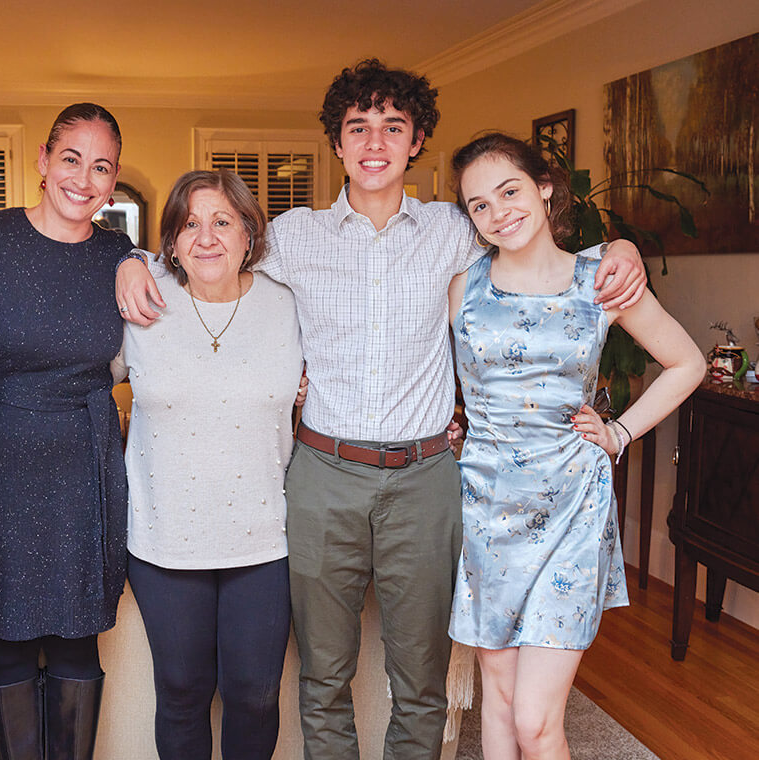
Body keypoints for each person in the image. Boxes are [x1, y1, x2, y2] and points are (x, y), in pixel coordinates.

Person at [116, 59, 648, 760]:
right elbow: (204, 250)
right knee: (323, 676)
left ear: (417, 139)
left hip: (425, 478)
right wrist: (126, 259)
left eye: (392, 127)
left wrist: (621, 249)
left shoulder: (459, 230)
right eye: (357, 127)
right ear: (337, 143)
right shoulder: (293, 237)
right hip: (322, 475)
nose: (374, 142)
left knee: (419, 679)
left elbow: (539, 248)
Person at [446, 133, 704, 760]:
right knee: (500, 704)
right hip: (485, 507)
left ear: (544, 186)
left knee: (537, 720)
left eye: (509, 191)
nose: (498, 212)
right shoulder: (461, 290)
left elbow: (687, 363)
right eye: (479, 205)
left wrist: (618, 433)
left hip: (572, 510)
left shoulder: (604, 278)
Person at [113, 170, 304, 759]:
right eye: (190, 224)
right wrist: (126, 257)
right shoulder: (141, 301)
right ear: (170, 241)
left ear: (249, 232)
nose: (206, 237)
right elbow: (76, 377)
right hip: (166, 538)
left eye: (222, 221)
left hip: (265, 538)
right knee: (180, 690)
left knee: (254, 693)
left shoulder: (288, 303)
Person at [0, 102, 133, 760]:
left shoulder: (120, 253)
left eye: (101, 167)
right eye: (71, 159)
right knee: (5, 634)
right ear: (42, 161)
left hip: (84, 464)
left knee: (75, 636)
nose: (84, 179)